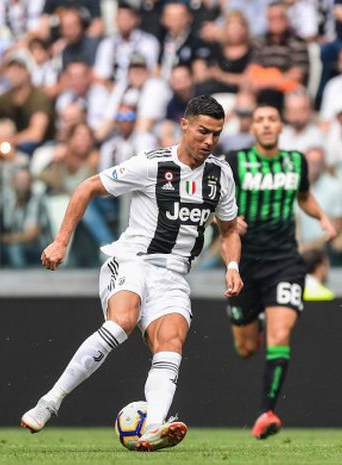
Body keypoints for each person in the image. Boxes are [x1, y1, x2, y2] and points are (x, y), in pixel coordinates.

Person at [20, 95, 242, 452]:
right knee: (122, 322)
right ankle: (50, 401)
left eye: (216, 134)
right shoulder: (153, 164)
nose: (209, 141)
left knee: (171, 343)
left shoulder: (221, 174)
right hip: (131, 260)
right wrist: (61, 242)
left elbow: (229, 229)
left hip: (173, 276)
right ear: (184, 125)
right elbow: (87, 186)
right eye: (203, 131)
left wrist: (232, 266)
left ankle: (154, 427)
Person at [224, 103, 335, 439]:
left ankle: (266, 412)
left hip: (285, 261)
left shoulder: (295, 161)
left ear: (281, 126)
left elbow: (303, 196)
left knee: (281, 335)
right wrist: (228, 219)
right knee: (246, 349)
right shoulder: (235, 162)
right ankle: (254, 321)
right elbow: (218, 202)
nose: (266, 125)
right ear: (253, 128)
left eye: (272, 119)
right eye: (260, 120)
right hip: (245, 262)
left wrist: (322, 217)